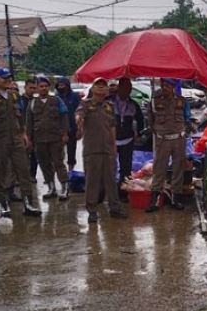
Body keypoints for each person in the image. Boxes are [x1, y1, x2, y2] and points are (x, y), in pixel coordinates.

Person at [0, 68, 41, 217]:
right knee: (0, 173)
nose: (7, 80)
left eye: (9, 78)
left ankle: (27, 204)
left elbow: (19, 116)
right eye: (4, 78)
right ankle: (3, 204)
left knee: (23, 171)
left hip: (16, 139)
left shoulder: (14, 95)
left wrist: (24, 133)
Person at [76, 78, 127, 223]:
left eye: (103, 86)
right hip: (92, 149)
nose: (101, 88)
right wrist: (79, 119)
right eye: (98, 86)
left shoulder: (109, 106)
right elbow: (80, 114)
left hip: (108, 149)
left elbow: (112, 126)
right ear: (92, 89)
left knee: (111, 179)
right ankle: (92, 210)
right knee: (92, 181)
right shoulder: (85, 104)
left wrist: (114, 146)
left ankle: (114, 208)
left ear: (107, 90)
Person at [146, 78, 190, 212]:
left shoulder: (182, 101)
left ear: (173, 86)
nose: (165, 88)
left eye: (168, 85)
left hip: (179, 139)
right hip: (162, 139)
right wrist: (160, 132)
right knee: (159, 169)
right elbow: (150, 121)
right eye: (163, 85)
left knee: (178, 169)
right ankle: (154, 201)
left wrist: (183, 131)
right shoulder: (155, 101)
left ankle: (176, 199)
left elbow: (187, 118)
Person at [26, 75, 70, 201]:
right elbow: (29, 122)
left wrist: (65, 133)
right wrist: (29, 138)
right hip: (39, 139)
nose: (43, 89)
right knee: (44, 164)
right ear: (37, 88)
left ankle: (65, 187)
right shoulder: (32, 103)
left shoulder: (56, 100)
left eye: (45, 86)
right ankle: (51, 188)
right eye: (41, 86)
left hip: (55, 137)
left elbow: (64, 116)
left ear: (48, 87)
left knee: (58, 163)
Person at [113, 77, 145, 200]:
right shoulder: (108, 102)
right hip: (111, 140)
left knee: (125, 169)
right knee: (109, 168)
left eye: (129, 88)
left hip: (127, 140)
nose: (128, 90)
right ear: (119, 87)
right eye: (125, 87)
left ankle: (123, 194)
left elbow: (141, 120)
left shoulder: (133, 105)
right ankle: (109, 193)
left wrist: (139, 133)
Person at [55, 77, 81, 171]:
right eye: (59, 85)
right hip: (59, 130)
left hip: (72, 129)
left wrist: (80, 129)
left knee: (71, 152)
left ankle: (71, 172)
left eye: (62, 85)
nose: (61, 87)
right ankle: (60, 172)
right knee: (58, 153)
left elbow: (80, 112)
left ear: (67, 85)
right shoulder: (56, 97)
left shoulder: (75, 97)